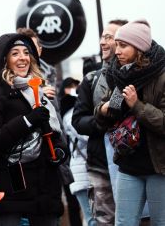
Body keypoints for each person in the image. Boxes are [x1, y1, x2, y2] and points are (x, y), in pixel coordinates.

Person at [0, 33, 67, 226]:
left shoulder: (42, 94)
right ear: (4, 60)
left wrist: (60, 151)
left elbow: (56, 136)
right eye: (15, 53)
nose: (23, 58)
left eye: (26, 53)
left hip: (46, 193)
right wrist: (26, 120)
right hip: (13, 194)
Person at [94, 20, 165, 226]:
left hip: (158, 167)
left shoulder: (161, 76)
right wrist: (103, 110)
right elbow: (106, 114)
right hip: (128, 165)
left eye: (123, 45)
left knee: (160, 222)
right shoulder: (120, 75)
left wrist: (137, 105)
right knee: (124, 222)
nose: (117, 51)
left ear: (140, 48)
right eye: (117, 44)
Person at [72, 19, 128, 225]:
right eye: (102, 37)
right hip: (100, 165)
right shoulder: (90, 79)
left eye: (109, 37)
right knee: (104, 221)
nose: (103, 42)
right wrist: (101, 121)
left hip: (132, 163)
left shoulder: (136, 75)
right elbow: (78, 120)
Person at [60, 78, 96, 226]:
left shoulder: (78, 110)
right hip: (81, 170)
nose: (74, 89)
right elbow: (84, 135)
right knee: (91, 217)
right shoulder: (70, 114)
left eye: (76, 86)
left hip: (86, 168)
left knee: (94, 216)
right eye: (70, 87)